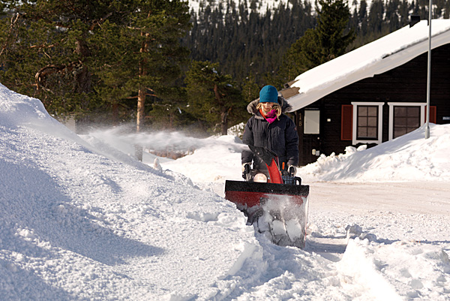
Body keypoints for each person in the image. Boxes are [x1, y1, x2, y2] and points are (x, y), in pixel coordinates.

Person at [241, 85, 299, 180]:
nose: (267, 105)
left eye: (270, 102)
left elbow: (292, 144)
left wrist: (292, 163)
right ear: (260, 102)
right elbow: (247, 144)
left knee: (279, 192)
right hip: (259, 169)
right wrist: (246, 163)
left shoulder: (285, 122)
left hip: (281, 169)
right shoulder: (253, 122)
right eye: (264, 102)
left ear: (275, 103)